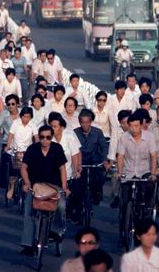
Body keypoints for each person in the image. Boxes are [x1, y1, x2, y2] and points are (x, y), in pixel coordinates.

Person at [20, 125, 69, 256]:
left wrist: (64, 188)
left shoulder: (57, 149)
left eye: (48, 137)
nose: (44, 140)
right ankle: (28, 244)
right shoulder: (32, 149)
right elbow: (24, 167)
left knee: (61, 207)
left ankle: (56, 231)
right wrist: (27, 182)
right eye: (42, 137)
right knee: (28, 210)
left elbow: (62, 169)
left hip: (54, 187)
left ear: (52, 138)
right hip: (35, 186)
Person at [116, 113, 158, 235]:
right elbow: (121, 156)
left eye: (136, 126)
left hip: (144, 172)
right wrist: (119, 172)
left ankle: (146, 209)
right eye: (131, 126)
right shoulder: (124, 137)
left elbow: (154, 155)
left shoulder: (149, 137)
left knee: (148, 189)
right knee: (124, 205)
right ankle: (123, 234)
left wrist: (153, 173)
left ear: (141, 126)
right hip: (128, 173)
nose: (134, 129)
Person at [73, 109, 108, 221]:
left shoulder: (98, 132)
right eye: (82, 122)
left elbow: (104, 147)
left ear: (91, 122)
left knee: (101, 177)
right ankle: (77, 210)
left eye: (87, 122)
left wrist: (104, 160)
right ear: (79, 122)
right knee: (76, 187)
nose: (85, 125)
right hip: (80, 164)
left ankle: (96, 193)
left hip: (95, 163)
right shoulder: (75, 133)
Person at [49, 112, 82, 223]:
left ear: (62, 127)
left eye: (55, 127)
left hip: (68, 172)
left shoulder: (70, 136)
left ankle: (75, 212)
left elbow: (74, 155)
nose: (53, 129)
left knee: (76, 190)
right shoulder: (47, 138)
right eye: (51, 126)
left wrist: (76, 170)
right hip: (52, 175)